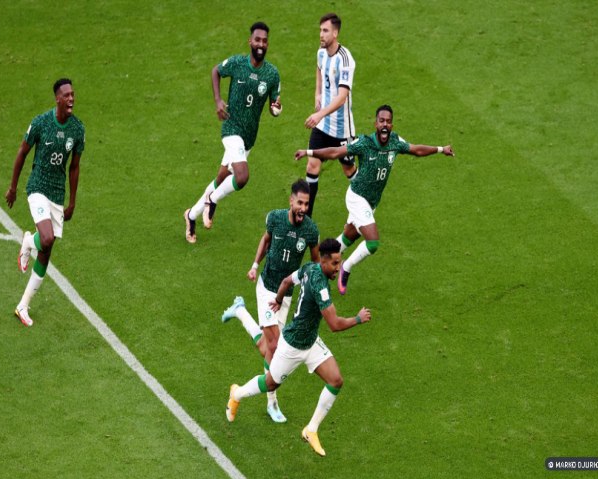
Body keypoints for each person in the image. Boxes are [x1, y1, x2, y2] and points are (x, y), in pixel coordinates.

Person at [226, 238, 371, 457]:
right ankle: (237, 393)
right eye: (335, 264)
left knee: (336, 380)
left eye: (340, 263)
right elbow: (334, 325)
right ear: (323, 262)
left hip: (310, 341)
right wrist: (358, 319)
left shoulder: (308, 268)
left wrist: (278, 299)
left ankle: (311, 430)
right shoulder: (320, 285)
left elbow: (286, 281)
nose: (338, 268)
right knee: (269, 384)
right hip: (293, 345)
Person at [295, 104, 454, 294]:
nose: (384, 124)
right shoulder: (364, 143)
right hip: (356, 198)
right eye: (381, 121)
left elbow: (416, 150)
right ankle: (346, 268)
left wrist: (440, 149)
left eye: (388, 121)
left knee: (347, 238)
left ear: (392, 125)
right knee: (373, 242)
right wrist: (309, 152)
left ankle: (314, 271)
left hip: (371, 203)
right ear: (375, 123)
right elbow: (336, 153)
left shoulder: (395, 142)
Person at [221, 179, 320, 423]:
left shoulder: (310, 231)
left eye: (306, 204)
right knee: (275, 348)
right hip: (266, 289)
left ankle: (240, 312)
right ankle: (271, 403)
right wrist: (255, 265)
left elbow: (316, 263)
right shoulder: (275, 219)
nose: (303, 208)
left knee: (269, 347)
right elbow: (265, 240)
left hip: (285, 295)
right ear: (291, 201)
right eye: (299, 203)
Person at [184, 21, 282, 243]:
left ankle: (191, 216)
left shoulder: (272, 74)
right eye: (257, 39)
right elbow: (216, 71)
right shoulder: (237, 63)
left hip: (249, 138)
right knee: (242, 176)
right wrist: (218, 100)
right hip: (231, 129)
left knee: (222, 177)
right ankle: (213, 200)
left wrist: (276, 108)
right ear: (250, 41)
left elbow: (275, 102)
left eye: (265, 41)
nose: (261, 44)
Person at [5, 78, 85, 327]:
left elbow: (74, 167)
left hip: (57, 194)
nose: (71, 98)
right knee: (47, 239)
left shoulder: (77, 129)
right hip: (37, 188)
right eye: (67, 95)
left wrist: (71, 201)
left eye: (73, 94)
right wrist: (13, 187)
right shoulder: (41, 123)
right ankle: (31, 240)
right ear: (57, 99)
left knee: (47, 250)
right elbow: (22, 153)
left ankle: (23, 305)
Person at [303, 13, 357, 218]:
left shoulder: (346, 60)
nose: (321, 34)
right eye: (320, 30)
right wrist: (317, 93)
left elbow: (342, 96)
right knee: (312, 164)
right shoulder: (321, 52)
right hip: (323, 125)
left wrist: (319, 114)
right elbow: (319, 69)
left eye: (325, 31)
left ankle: (366, 204)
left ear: (335, 33)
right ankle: (306, 219)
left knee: (349, 170)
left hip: (343, 128)